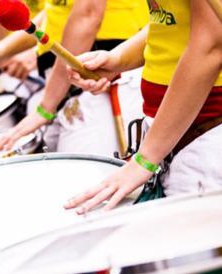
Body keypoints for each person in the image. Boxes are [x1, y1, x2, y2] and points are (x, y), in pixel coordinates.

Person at [64, 0, 222, 214]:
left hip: (207, 135)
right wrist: (118, 58)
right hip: (175, 136)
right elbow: (171, 19)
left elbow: (212, 44)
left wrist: (146, 158)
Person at [0, 0, 148, 155]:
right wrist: (1, 50)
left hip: (101, 81)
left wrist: (46, 107)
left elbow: (87, 15)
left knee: (83, 186)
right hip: (63, 84)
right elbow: (56, 10)